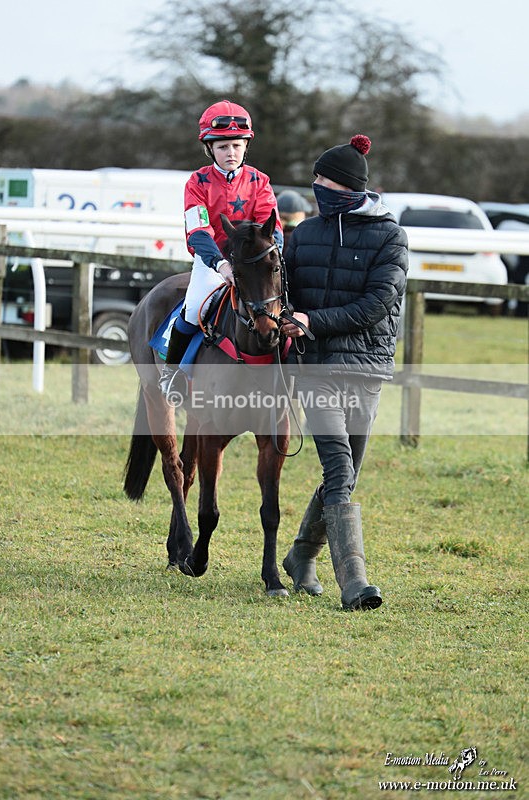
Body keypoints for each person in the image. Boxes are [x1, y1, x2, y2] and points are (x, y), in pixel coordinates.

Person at [280, 134, 408, 611]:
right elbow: (283, 292)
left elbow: (378, 304)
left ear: (346, 186)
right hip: (315, 368)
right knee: (337, 467)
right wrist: (290, 318)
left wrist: (314, 321)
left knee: (347, 473)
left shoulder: (390, 236)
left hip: (366, 368)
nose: (315, 187)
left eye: (322, 180)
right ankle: (354, 582)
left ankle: (299, 556)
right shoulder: (305, 233)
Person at [159, 100, 284, 403]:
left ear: (245, 146)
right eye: (223, 147)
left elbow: (273, 226)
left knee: (285, 311)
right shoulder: (197, 182)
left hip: (254, 264)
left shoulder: (259, 181)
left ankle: (293, 374)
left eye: (236, 146)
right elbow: (198, 230)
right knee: (194, 309)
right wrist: (219, 264)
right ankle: (172, 374)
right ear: (210, 149)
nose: (231, 153)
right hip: (213, 262)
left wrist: (273, 252)